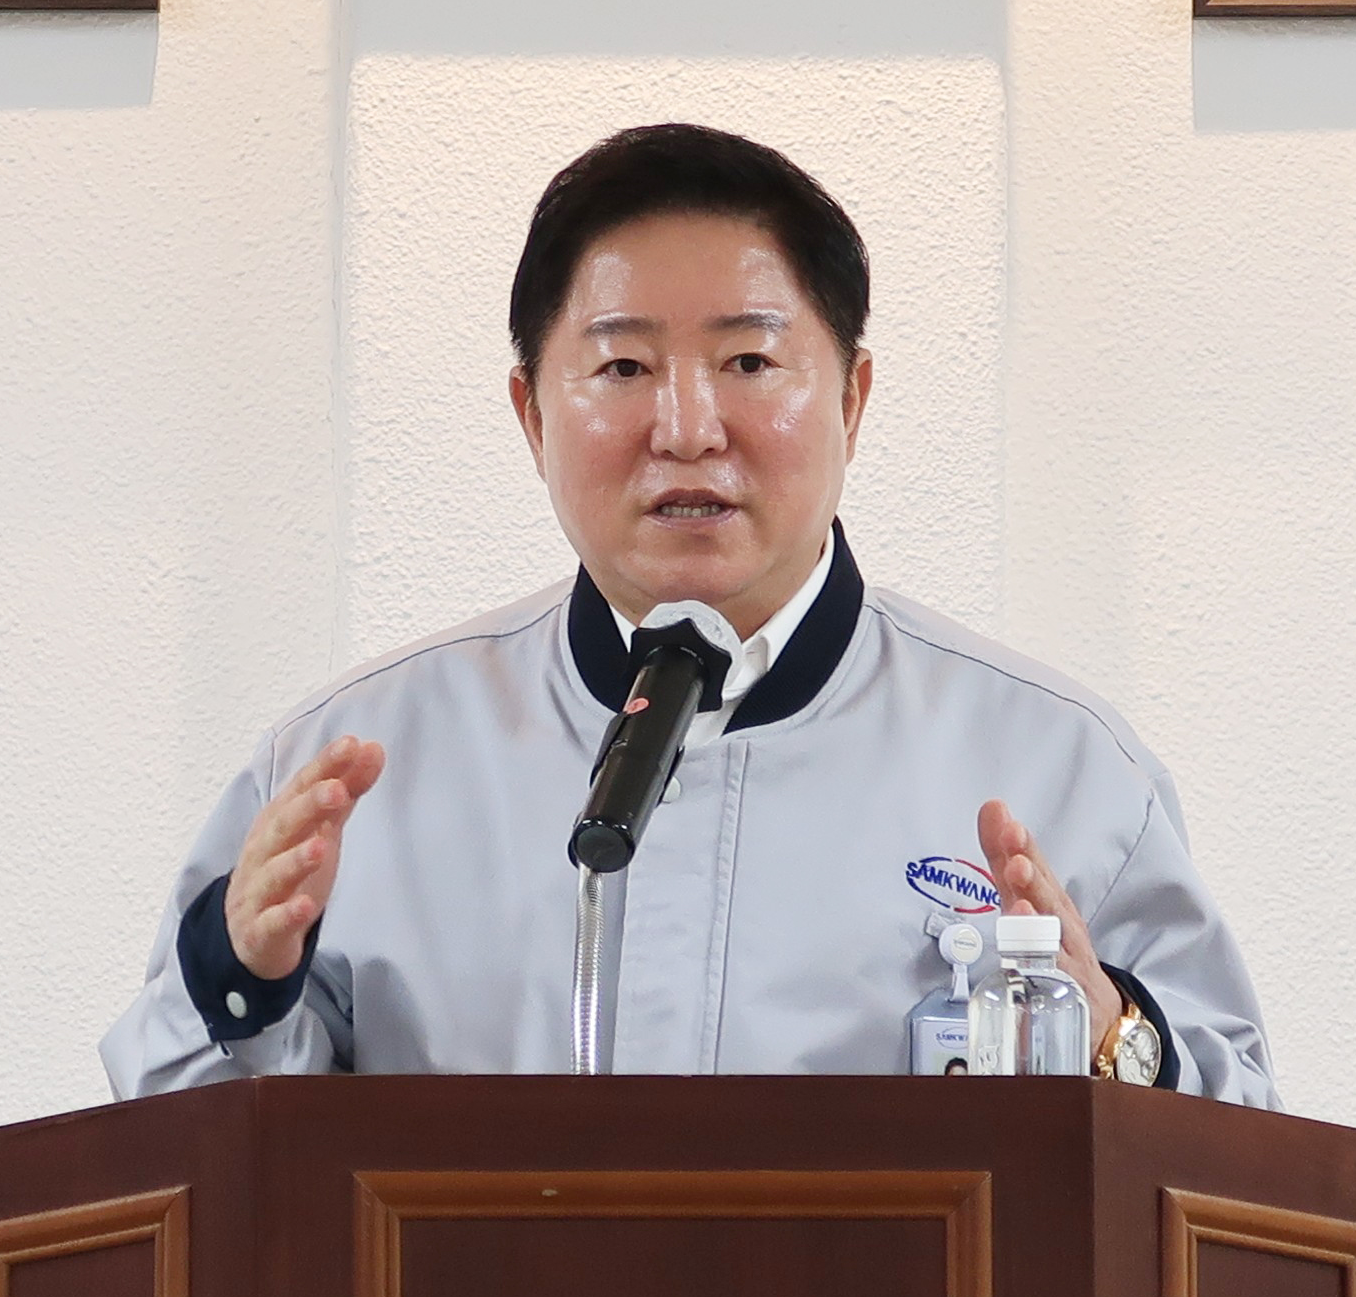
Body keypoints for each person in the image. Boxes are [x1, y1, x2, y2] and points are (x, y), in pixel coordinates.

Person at [98, 123, 1274, 1102]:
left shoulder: (1056, 766)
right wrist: (240, 981)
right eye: (622, 369)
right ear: (530, 415)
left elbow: (1242, 1159)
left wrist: (1115, 1033)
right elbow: (180, 1170)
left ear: (852, 401)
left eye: (749, 363)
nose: (687, 427)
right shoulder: (353, 771)